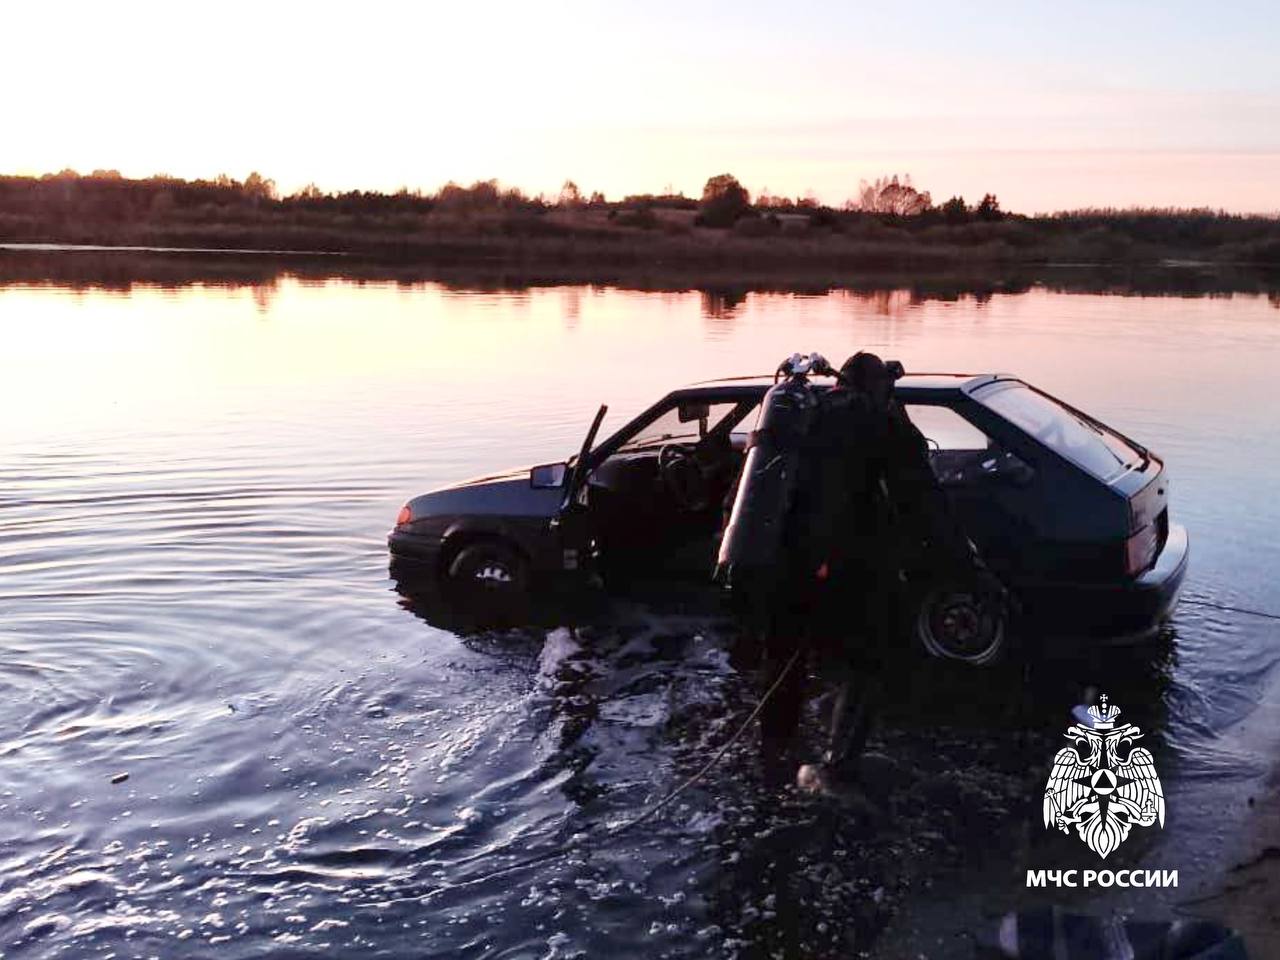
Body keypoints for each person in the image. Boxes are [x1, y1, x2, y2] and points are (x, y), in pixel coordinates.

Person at [757, 352, 1003, 790]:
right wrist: (973, 573)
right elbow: (926, 506)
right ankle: (835, 771)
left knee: (784, 664)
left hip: (782, 567)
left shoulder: (805, 416)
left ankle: (772, 764)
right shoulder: (882, 425)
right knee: (865, 663)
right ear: (878, 389)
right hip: (847, 570)